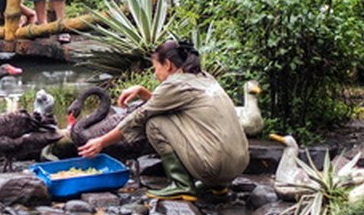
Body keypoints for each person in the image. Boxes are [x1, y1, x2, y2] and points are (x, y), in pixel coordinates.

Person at [79, 39, 249, 201]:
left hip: (214, 166)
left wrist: (101, 142)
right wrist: (142, 92)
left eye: (155, 68)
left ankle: (181, 184)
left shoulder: (174, 85)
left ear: (168, 64)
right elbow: (162, 103)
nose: (155, 74)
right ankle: (217, 186)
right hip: (239, 165)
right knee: (169, 117)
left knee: (154, 123)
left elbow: (139, 117)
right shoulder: (205, 78)